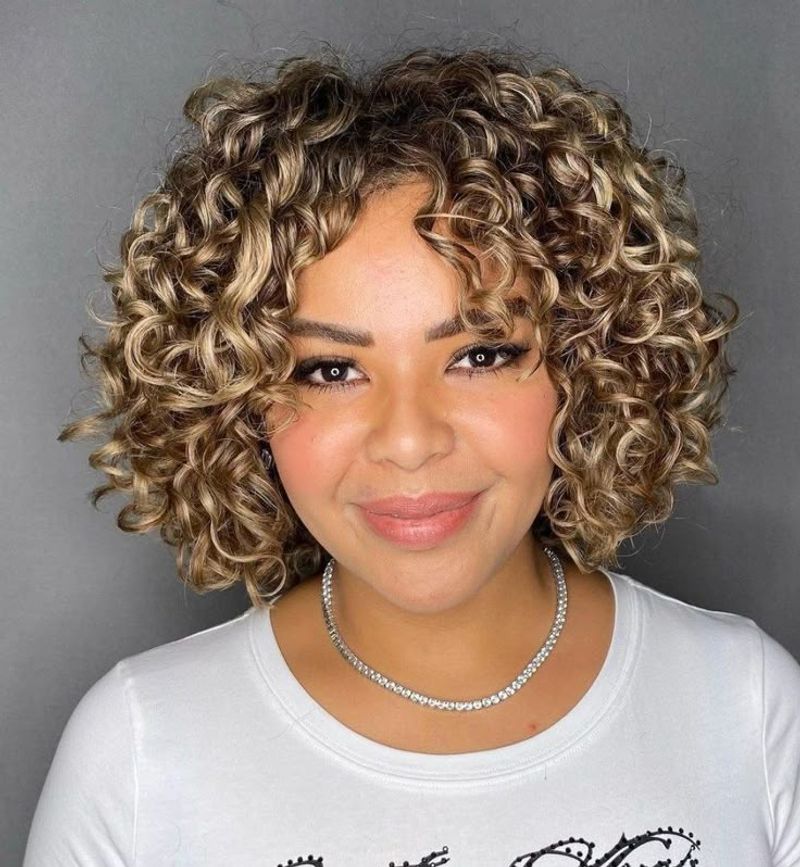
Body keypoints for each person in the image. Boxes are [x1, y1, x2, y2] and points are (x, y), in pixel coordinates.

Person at [24, 45, 800, 866]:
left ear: (587, 363)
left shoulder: (744, 707)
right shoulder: (142, 749)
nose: (408, 440)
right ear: (235, 399)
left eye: (479, 354)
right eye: (331, 370)